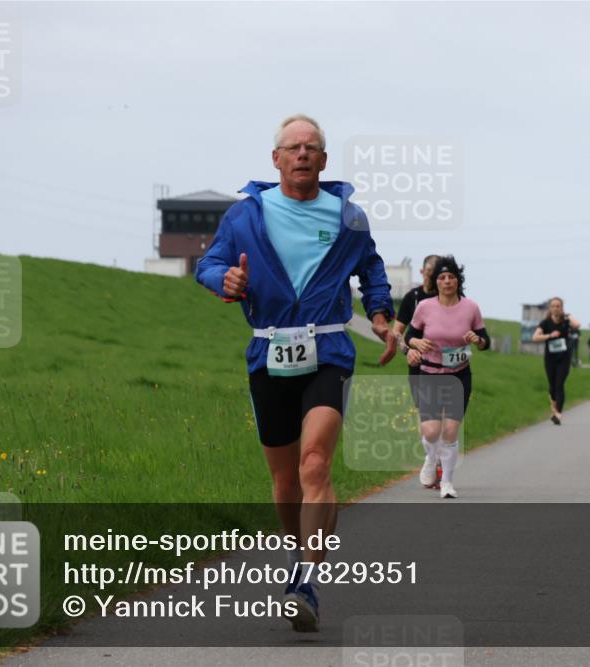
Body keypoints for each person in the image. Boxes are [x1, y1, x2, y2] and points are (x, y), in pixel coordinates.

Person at [196, 114, 396, 632]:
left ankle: (306, 580)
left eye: (312, 147)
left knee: (313, 465)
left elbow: (371, 267)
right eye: (294, 147)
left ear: (324, 161)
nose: (303, 154)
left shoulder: (348, 216)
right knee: (285, 481)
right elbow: (208, 264)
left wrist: (378, 312)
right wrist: (228, 278)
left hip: (328, 349)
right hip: (269, 353)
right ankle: (299, 557)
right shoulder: (245, 215)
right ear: (276, 158)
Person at [405, 256, 489, 498]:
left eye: (451, 276)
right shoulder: (425, 307)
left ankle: (447, 483)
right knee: (431, 431)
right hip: (429, 373)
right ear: (436, 282)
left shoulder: (471, 307)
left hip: (459, 375)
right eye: (442, 277)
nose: (447, 281)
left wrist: (478, 339)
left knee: (451, 430)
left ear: (457, 280)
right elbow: (410, 335)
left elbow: (485, 341)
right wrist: (416, 342)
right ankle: (431, 458)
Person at [393, 255, 440, 486]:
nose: (434, 275)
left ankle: (438, 465)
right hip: (418, 365)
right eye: (430, 270)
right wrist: (406, 351)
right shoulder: (412, 298)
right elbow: (397, 332)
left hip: (446, 368)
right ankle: (433, 458)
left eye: (439, 271)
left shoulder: (453, 299)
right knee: (427, 418)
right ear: (422, 272)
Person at [532, 297, 582, 424]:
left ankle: (558, 413)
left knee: (560, 384)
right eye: (553, 306)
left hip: (564, 357)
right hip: (550, 357)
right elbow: (535, 337)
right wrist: (549, 335)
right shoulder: (546, 322)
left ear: (562, 307)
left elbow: (577, 324)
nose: (555, 308)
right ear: (550, 308)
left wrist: (568, 316)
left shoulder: (566, 320)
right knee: (552, 386)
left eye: (558, 306)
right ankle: (554, 408)